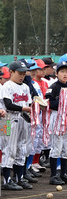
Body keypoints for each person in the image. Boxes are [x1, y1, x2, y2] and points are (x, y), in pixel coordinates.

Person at [1, 61, 30, 190]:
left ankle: (19, 178)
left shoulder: (25, 87)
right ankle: (6, 180)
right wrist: (25, 109)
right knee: (9, 148)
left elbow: (28, 103)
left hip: (22, 119)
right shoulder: (7, 86)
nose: (22, 76)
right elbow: (8, 104)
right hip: (7, 119)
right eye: (19, 73)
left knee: (21, 148)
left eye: (24, 73)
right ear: (11, 72)